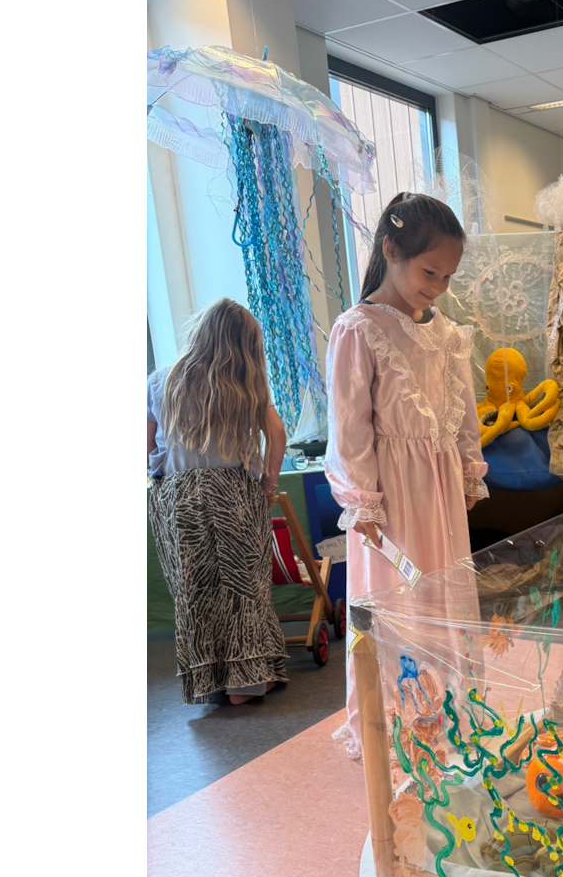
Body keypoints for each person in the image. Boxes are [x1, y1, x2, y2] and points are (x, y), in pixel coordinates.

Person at [324, 192, 488, 759]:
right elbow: (350, 427)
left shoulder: (448, 334)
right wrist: (362, 503)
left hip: (440, 495)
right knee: (398, 605)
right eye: (429, 272)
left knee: (445, 598)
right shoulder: (358, 329)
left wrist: (468, 470)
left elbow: (464, 414)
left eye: (448, 276)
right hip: (390, 501)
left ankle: (453, 711)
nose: (438, 287)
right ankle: (399, 720)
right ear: (391, 250)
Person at [148, 298, 291, 705]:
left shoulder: (160, 381)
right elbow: (277, 434)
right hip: (232, 490)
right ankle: (246, 684)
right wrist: (268, 484)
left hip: (176, 496)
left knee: (194, 590)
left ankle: (209, 681)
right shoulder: (246, 384)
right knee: (243, 586)